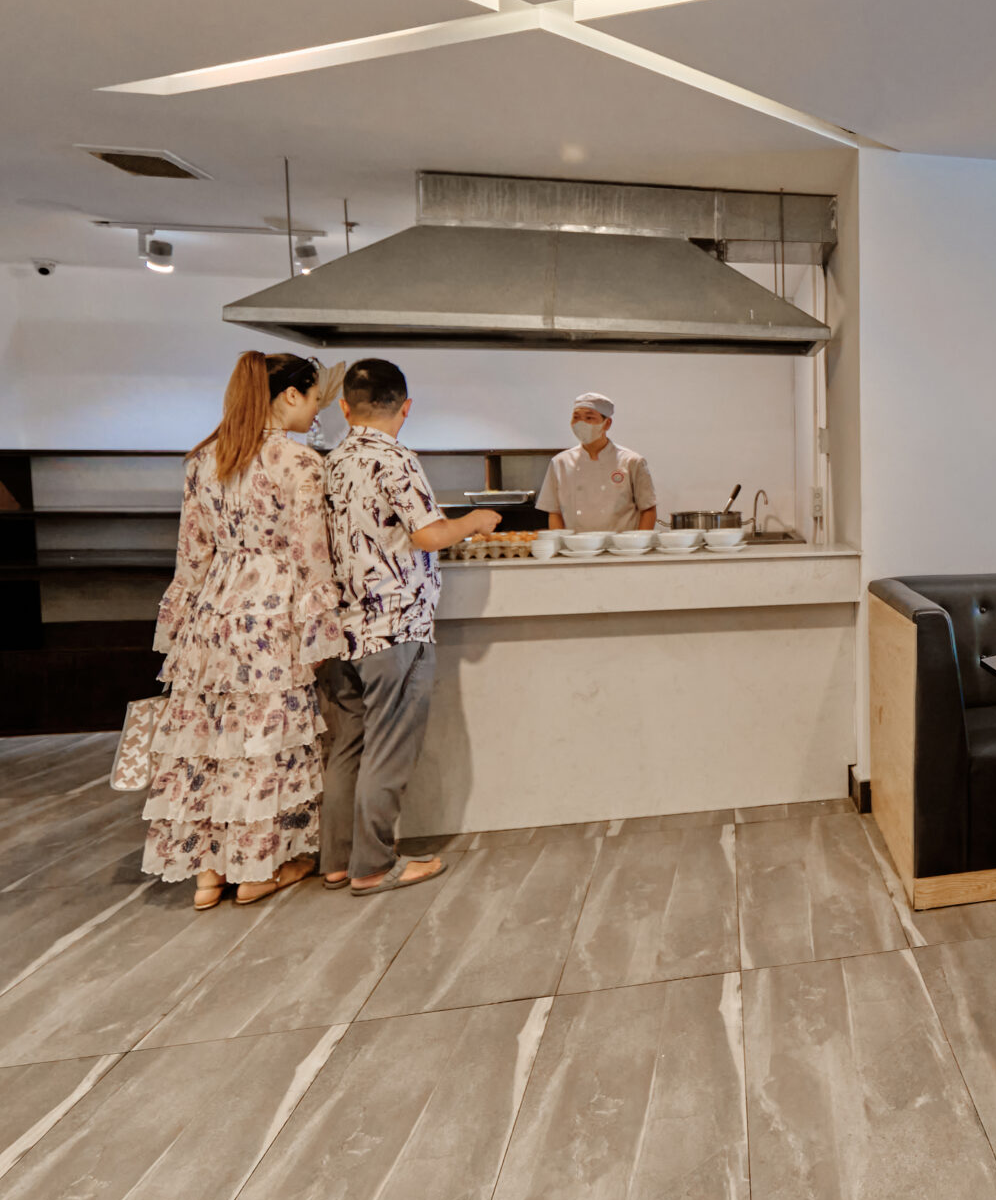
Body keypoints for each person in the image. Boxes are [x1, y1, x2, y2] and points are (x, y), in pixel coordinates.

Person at [142, 351, 343, 909]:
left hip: (212, 614)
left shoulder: (204, 459)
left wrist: (181, 627)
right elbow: (311, 555)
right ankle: (259, 870)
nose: (317, 411)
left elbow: (191, 556)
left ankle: (209, 875)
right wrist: (321, 629)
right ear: (290, 395)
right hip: (273, 614)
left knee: (211, 745)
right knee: (263, 745)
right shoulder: (299, 462)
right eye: (314, 398)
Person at [317, 359, 499, 895]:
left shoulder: (332, 461)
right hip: (395, 627)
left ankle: (338, 861)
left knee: (347, 748)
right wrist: (474, 521)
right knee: (388, 750)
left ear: (345, 407)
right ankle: (373, 866)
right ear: (406, 407)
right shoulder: (396, 459)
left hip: (343, 630)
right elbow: (428, 534)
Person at [537, 391, 657, 533]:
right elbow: (554, 512)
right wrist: (559, 541)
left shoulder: (631, 461)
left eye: (589, 417)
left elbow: (648, 509)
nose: (581, 423)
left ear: (607, 424)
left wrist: (639, 541)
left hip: (620, 544)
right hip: (575, 544)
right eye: (576, 417)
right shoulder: (560, 463)